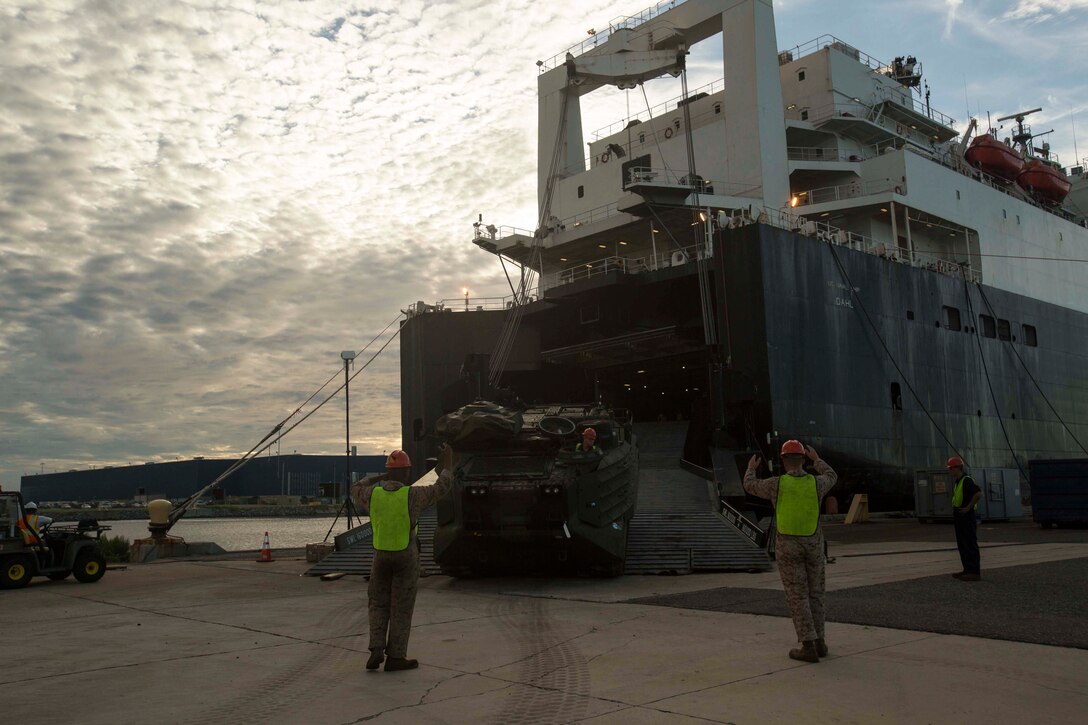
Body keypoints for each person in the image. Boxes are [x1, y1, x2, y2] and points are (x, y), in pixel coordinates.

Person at [351, 445, 454, 672]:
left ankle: (376, 648)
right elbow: (442, 487)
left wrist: (380, 477)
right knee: (401, 606)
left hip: (380, 556)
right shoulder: (413, 495)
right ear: (407, 473)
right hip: (406, 555)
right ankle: (396, 656)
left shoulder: (373, 495)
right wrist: (447, 463)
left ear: (388, 471)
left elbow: (355, 486)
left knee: (377, 603)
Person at [744, 440, 837, 663]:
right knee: (816, 594)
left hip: (788, 546)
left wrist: (750, 468)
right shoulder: (817, 483)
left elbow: (750, 485)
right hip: (813, 545)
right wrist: (818, 460)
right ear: (803, 460)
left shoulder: (776, 484)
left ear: (784, 460)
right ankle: (820, 642)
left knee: (798, 596)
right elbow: (832, 475)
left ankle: (808, 645)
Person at [947, 457, 982, 581]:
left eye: (951, 468)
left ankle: (974, 571)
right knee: (962, 543)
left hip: (966, 515)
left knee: (969, 542)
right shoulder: (958, 481)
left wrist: (968, 507)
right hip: (960, 515)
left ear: (958, 468)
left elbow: (978, 493)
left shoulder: (966, 481)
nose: (949, 470)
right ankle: (967, 570)